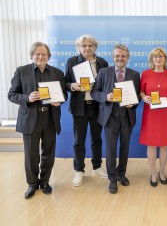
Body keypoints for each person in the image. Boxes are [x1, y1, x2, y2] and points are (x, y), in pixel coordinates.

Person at [8, 41, 68, 199]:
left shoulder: (57, 73)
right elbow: (12, 94)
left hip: (50, 117)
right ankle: (32, 184)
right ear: (32, 56)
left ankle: (45, 181)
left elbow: (64, 94)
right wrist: (27, 97)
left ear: (49, 56)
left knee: (48, 152)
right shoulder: (22, 71)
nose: (41, 57)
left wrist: (59, 100)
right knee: (31, 155)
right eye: (37, 54)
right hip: (30, 119)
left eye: (44, 54)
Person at [91, 44, 140, 194]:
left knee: (125, 148)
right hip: (110, 117)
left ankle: (121, 174)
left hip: (127, 116)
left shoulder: (134, 74)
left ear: (128, 57)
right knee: (111, 149)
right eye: (117, 56)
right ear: (113, 57)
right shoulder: (103, 72)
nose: (120, 58)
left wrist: (134, 102)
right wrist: (106, 96)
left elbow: (137, 95)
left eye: (123, 56)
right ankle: (112, 179)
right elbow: (94, 92)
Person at [65, 34, 109, 187]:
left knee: (97, 139)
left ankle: (97, 167)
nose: (87, 48)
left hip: (97, 106)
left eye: (90, 45)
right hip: (79, 106)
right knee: (79, 140)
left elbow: (107, 84)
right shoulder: (72, 61)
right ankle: (79, 170)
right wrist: (72, 86)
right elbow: (65, 82)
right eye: (83, 46)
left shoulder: (102, 62)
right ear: (79, 48)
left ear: (95, 47)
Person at [139, 47, 167, 187]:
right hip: (151, 113)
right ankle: (153, 173)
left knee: (165, 144)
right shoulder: (146, 73)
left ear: (165, 58)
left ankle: (162, 172)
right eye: (155, 57)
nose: (158, 59)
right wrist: (144, 97)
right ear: (151, 59)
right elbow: (141, 91)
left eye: (160, 56)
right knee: (152, 144)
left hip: (166, 113)